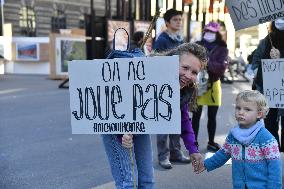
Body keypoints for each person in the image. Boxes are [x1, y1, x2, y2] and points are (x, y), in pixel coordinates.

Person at [102, 42, 207, 189]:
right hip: (116, 127)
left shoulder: (183, 88)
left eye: (194, 72)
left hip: (140, 128)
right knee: (128, 182)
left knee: (147, 182)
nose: (188, 75)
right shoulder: (146, 73)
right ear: (171, 62)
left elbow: (183, 119)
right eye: (185, 68)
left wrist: (193, 150)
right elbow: (118, 104)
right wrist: (121, 134)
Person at [197, 90, 282, 189]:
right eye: (238, 108)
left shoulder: (266, 138)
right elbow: (223, 154)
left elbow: (274, 167)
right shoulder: (233, 135)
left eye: (247, 109)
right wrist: (206, 164)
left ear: (259, 114)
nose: (241, 112)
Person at [153, 8, 190, 169]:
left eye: (180, 20)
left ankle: (176, 152)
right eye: (175, 20)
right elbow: (155, 60)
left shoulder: (181, 39)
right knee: (164, 121)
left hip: (180, 85)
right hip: (164, 86)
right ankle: (163, 156)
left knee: (176, 121)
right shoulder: (162, 39)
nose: (179, 22)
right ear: (167, 23)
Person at [192, 21, 228, 152]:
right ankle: (193, 142)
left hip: (213, 85)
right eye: (207, 31)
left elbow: (221, 68)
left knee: (212, 116)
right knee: (195, 116)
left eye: (212, 31)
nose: (209, 33)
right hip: (198, 84)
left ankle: (211, 142)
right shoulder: (197, 45)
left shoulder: (222, 47)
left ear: (217, 33)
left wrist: (206, 63)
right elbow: (191, 62)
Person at [251, 18, 284, 152]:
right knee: (270, 124)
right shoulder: (266, 40)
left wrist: (281, 57)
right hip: (270, 88)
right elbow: (256, 61)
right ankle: (274, 155)